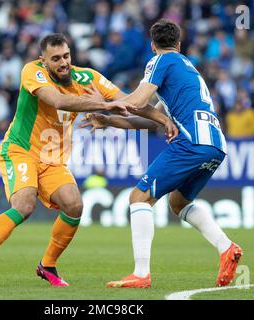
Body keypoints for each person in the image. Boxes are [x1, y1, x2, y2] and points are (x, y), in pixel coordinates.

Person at [0, 33, 136, 287]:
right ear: (43, 60)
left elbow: (127, 101)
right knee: (24, 205)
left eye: (66, 56)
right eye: (55, 59)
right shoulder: (32, 72)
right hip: (21, 150)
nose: (63, 62)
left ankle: (48, 265)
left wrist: (161, 115)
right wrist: (102, 106)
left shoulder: (87, 78)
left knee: (74, 205)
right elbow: (58, 100)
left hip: (52, 160)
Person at [82, 19, 243, 288]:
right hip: (215, 145)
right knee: (178, 202)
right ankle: (227, 248)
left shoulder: (160, 61)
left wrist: (101, 102)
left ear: (152, 45)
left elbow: (136, 102)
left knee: (139, 197)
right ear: (179, 44)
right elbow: (147, 118)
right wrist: (108, 119)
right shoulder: (186, 68)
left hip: (192, 142)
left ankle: (141, 273)